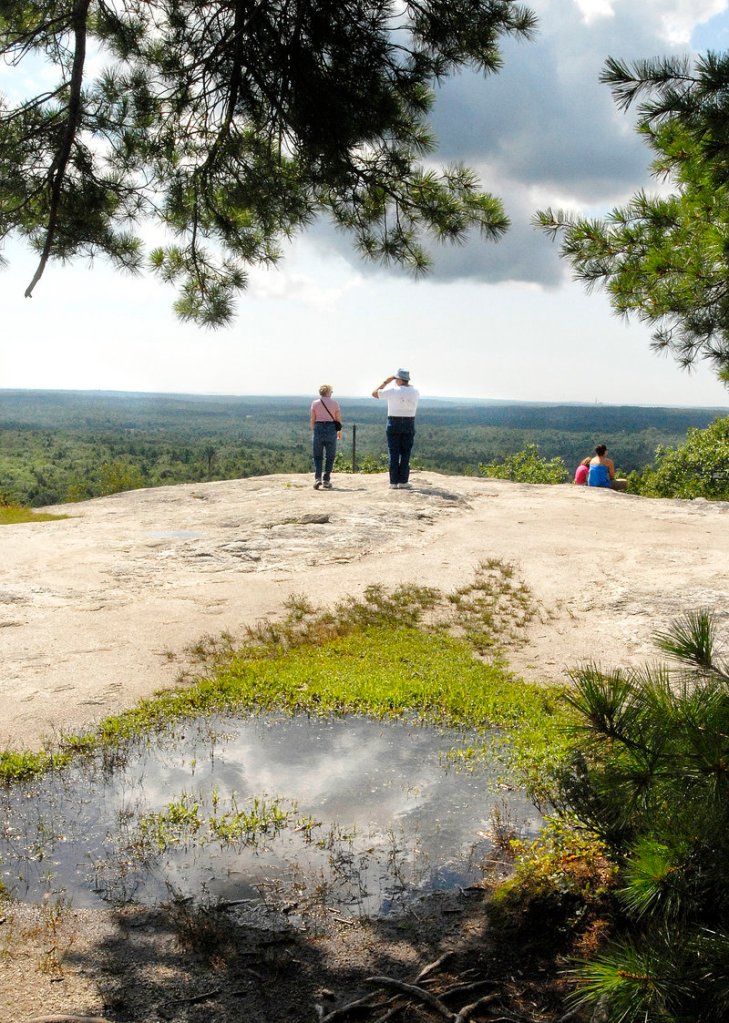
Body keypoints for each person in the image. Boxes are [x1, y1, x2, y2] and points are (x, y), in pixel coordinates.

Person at [371, 369, 420, 488]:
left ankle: (393, 482)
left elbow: (374, 393)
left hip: (393, 422)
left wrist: (385, 382)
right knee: (405, 452)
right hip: (409, 422)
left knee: (393, 452)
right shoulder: (415, 392)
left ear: (398, 379)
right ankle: (403, 481)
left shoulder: (393, 390)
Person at [310, 384, 341, 490]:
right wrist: (338, 431)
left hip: (318, 427)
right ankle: (326, 480)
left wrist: (314, 430)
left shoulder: (315, 403)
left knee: (318, 456)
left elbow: (313, 419)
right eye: (331, 391)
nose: (332, 393)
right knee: (330, 456)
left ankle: (317, 478)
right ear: (328, 392)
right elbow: (337, 419)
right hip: (331, 428)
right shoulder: (335, 403)